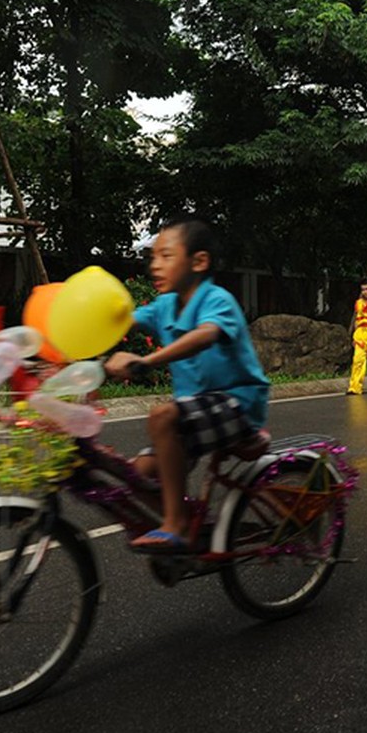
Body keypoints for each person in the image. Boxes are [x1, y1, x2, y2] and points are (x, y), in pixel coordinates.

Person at [105, 215, 270, 551]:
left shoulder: (216, 300)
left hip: (237, 402)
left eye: (166, 256)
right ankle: (198, 526)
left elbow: (205, 335)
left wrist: (144, 362)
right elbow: (118, 322)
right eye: (153, 257)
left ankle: (177, 525)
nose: (155, 265)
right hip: (194, 410)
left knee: (162, 416)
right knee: (136, 474)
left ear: (199, 261)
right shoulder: (164, 306)